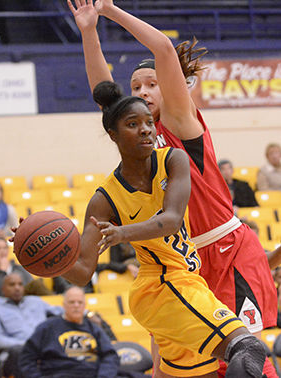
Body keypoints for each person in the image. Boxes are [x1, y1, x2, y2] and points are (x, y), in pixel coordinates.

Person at [67, 1, 277, 377]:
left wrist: (111, 12)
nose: (144, 91)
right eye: (135, 87)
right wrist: (88, 31)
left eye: (152, 84)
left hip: (224, 250)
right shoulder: (137, 138)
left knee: (242, 361)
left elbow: (163, 49)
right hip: (179, 265)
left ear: (172, 86)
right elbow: (104, 93)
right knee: (174, 368)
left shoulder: (181, 122)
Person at [48, 80, 267, 378]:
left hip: (189, 282)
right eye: (133, 124)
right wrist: (47, 260)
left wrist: (122, 233)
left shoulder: (173, 159)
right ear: (113, 135)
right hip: (160, 287)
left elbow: (172, 219)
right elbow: (83, 271)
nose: (146, 129)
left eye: (149, 122)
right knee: (247, 349)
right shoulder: (104, 199)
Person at [18, 286, 120, 378]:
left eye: (80, 302)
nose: (76, 305)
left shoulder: (94, 328)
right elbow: (26, 358)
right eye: (72, 302)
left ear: (85, 305)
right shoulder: (47, 327)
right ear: (63, 305)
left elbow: (110, 355)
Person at [0, 273, 63, 378]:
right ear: (3, 288)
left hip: (43, 350)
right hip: (15, 354)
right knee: (19, 351)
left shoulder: (35, 301)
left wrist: (87, 314)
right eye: (12, 284)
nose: (17, 288)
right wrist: (27, 344)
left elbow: (62, 312)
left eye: (20, 284)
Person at [0, 236, 71, 297]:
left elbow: (29, 283)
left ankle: (59, 298)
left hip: (25, 296)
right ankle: (55, 301)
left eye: (4, 248)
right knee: (36, 284)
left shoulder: (18, 267)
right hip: (7, 299)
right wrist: (2, 272)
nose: (2, 251)